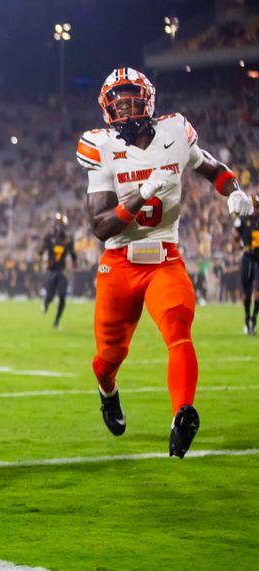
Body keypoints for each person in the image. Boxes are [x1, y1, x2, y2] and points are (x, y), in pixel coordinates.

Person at [76, 67, 254, 458]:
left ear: (148, 100)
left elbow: (212, 168)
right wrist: (140, 194)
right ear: (107, 108)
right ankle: (108, 391)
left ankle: (183, 413)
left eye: (132, 98)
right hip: (119, 263)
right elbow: (101, 227)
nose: (125, 106)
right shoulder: (99, 145)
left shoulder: (175, 132)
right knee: (109, 357)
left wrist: (234, 192)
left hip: (164, 257)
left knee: (179, 327)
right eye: (118, 100)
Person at [39, 212, 77, 329]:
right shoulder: (49, 238)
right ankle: (46, 303)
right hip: (51, 270)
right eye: (57, 224)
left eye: (61, 224)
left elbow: (73, 254)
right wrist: (43, 257)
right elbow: (41, 251)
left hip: (62, 272)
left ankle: (56, 321)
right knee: (50, 296)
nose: (58, 227)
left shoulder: (68, 240)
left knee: (62, 296)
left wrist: (75, 265)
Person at [233, 198, 259, 334]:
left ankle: (254, 318)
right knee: (247, 290)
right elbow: (235, 236)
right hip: (248, 257)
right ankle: (247, 318)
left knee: (258, 291)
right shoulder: (242, 221)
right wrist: (237, 239)